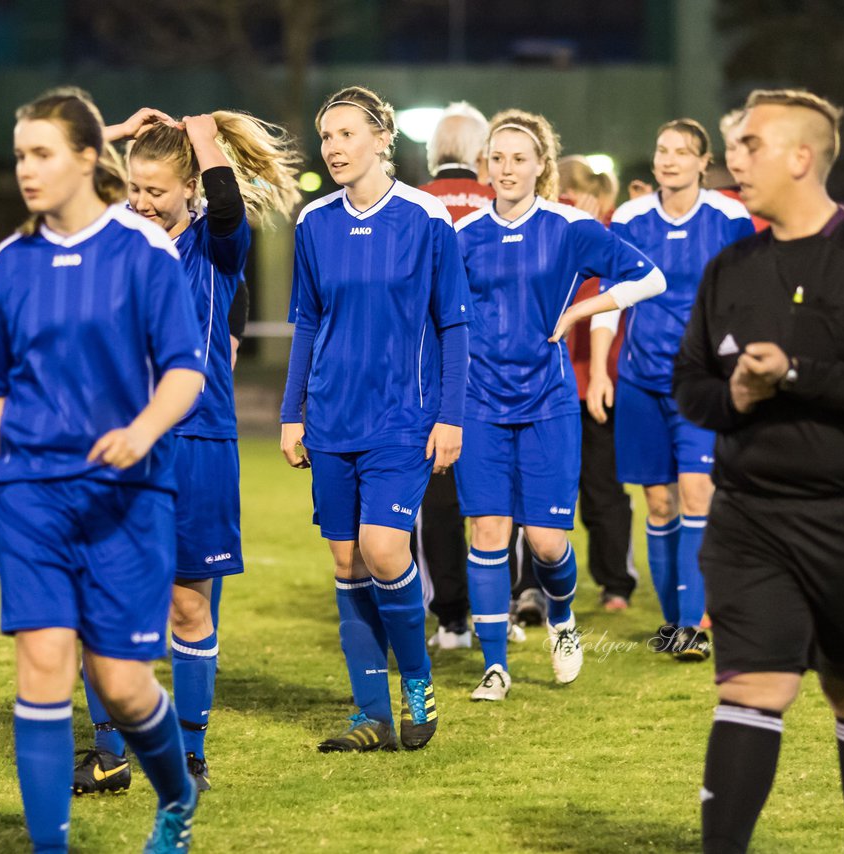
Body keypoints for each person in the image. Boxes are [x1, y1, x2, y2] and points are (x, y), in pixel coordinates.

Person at [674, 89, 844, 854]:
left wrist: (793, 374)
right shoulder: (732, 267)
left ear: (801, 157)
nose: (734, 160)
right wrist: (739, 394)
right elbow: (691, 387)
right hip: (751, 519)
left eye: (751, 145)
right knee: (752, 689)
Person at [0, 87, 207, 854]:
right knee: (42, 661)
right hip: (31, 494)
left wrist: (141, 433)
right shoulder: (10, 263)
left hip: (125, 499)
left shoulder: (145, 251)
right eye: (19, 156)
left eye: (41, 154)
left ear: (84, 158)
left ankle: (176, 797)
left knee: (121, 682)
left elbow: (185, 373)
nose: (26, 170)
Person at [69, 106, 299, 795]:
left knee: (189, 606)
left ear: (191, 187)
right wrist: (105, 136)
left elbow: (228, 203)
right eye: (133, 188)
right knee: (101, 601)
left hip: (196, 441)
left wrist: (203, 136)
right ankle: (108, 754)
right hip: (112, 441)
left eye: (157, 191)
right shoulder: (109, 239)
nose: (141, 202)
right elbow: (57, 173)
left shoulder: (216, 243)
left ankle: (190, 754)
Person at [280, 85, 469, 752]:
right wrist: (291, 412)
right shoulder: (313, 222)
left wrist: (451, 415)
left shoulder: (426, 218)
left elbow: (453, 323)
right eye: (325, 136)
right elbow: (306, 321)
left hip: (402, 419)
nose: (333, 147)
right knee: (345, 558)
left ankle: (416, 685)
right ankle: (370, 715)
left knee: (384, 548)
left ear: (382, 138)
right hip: (331, 418)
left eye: (346, 134)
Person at [453, 109, 666, 700]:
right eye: (497, 158)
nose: (507, 168)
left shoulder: (570, 226)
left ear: (542, 165)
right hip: (480, 403)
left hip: (547, 401)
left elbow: (650, 279)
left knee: (546, 542)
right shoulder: (463, 234)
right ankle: (495, 666)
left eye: (519, 158)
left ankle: (563, 617)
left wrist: (579, 310)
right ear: (484, 165)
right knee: (489, 531)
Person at [588, 119, 755, 662]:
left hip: (702, 385)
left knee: (697, 494)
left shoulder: (729, 217)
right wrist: (597, 372)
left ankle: (692, 625)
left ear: (704, 162)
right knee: (658, 504)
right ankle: (673, 620)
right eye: (662, 150)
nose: (669, 159)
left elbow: (748, 298)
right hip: (639, 381)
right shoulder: (631, 217)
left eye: (683, 152)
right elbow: (613, 295)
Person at [415, 101, 494, 650]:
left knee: (437, 502)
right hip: (496, 376)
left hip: (432, 374)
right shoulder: (501, 204)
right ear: (481, 153)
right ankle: (501, 606)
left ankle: (451, 619)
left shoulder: (413, 205)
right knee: (494, 501)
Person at [558, 155, 637, 612]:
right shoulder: (609, 226)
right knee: (605, 487)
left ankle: (530, 588)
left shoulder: (564, 228)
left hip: (569, 380)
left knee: (542, 489)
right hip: (601, 380)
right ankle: (615, 585)